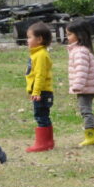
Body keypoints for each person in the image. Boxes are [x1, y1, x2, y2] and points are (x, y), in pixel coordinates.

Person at [66, 19, 94, 146]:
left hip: (85, 88)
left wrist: (77, 86)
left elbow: (82, 70)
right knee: (87, 110)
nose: (67, 37)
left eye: (70, 34)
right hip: (87, 87)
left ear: (79, 35)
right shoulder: (80, 49)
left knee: (85, 111)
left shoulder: (80, 51)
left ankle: (90, 135)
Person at [24, 21, 55, 152]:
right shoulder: (36, 54)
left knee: (41, 116)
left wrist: (36, 92)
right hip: (39, 92)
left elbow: (40, 75)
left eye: (29, 37)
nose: (27, 40)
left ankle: (44, 142)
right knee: (41, 115)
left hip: (42, 92)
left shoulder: (41, 55)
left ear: (39, 39)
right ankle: (47, 141)